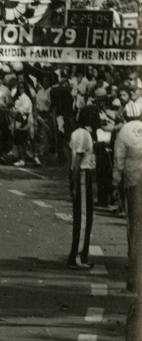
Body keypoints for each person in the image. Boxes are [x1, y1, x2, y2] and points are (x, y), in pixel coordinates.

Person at [114, 101, 142, 292]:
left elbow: (119, 160)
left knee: (132, 226)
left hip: (131, 183)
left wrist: (115, 181)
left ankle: (133, 275)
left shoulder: (123, 132)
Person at [67, 107, 97, 270]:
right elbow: (77, 160)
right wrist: (73, 182)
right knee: (84, 218)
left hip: (84, 175)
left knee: (85, 216)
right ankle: (77, 257)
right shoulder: (82, 134)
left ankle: (80, 255)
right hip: (82, 175)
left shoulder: (82, 133)